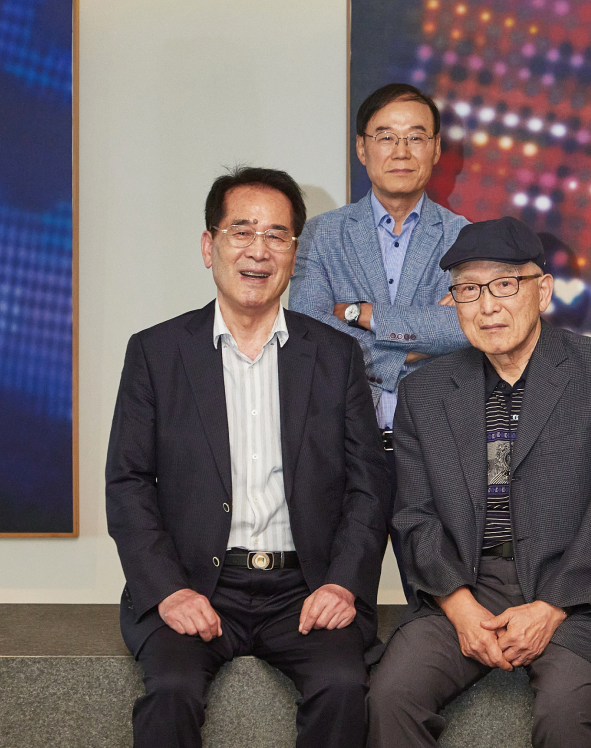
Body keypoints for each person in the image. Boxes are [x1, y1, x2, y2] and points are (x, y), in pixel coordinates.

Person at [107, 167, 391, 748]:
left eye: (277, 235)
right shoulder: (157, 352)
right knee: (171, 692)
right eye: (242, 231)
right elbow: (128, 483)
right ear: (208, 246)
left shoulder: (335, 355)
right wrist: (168, 590)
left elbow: (369, 484)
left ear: (294, 253)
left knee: (343, 687)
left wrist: (342, 583)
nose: (259, 251)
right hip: (196, 583)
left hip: (305, 586)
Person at [370, 217, 591, 748]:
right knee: (389, 698)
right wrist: (459, 605)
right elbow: (414, 514)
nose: (487, 306)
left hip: (578, 594)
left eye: (505, 285)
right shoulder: (425, 391)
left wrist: (551, 607)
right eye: (468, 290)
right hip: (466, 585)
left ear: (542, 290)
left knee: (564, 718)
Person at [292, 83, 470, 448]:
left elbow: (465, 327)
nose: (401, 152)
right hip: (343, 442)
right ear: (362, 147)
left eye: (416, 138)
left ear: (436, 148)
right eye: (386, 137)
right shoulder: (320, 235)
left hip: (439, 443)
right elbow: (310, 333)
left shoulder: (464, 238)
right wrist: (415, 347)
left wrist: (363, 314)